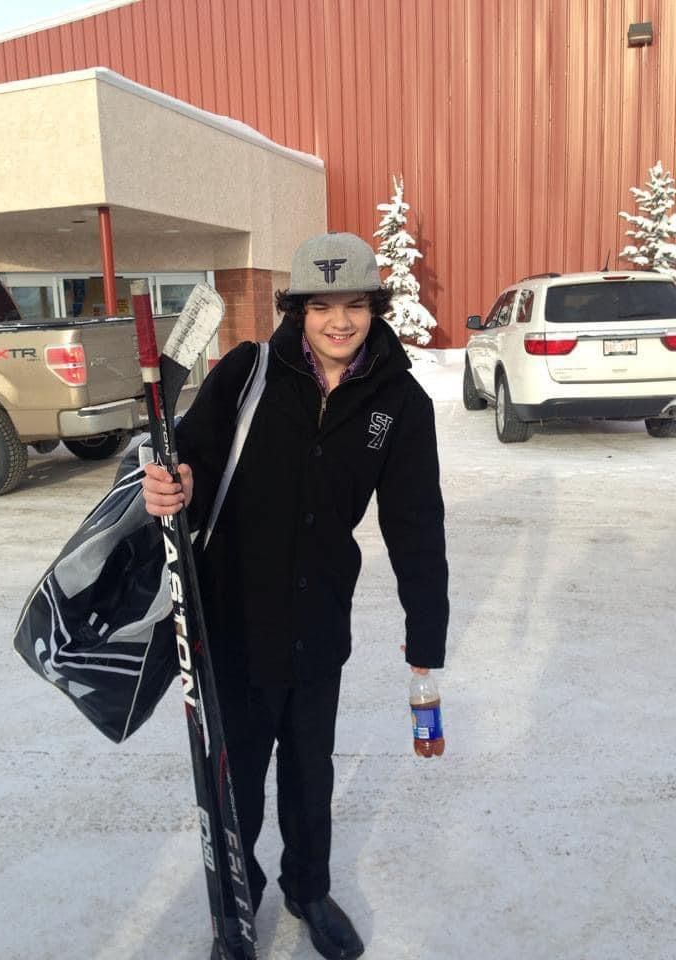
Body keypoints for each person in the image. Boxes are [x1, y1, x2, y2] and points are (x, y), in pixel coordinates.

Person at [142, 231, 449, 960]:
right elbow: (191, 458)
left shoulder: (398, 403)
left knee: (311, 770)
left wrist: (426, 637)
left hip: (319, 621)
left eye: (354, 305)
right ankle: (236, 909)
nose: (338, 322)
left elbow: (415, 525)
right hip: (235, 617)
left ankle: (309, 887)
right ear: (297, 311)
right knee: (237, 777)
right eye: (321, 306)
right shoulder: (248, 373)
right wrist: (175, 484)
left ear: (376, 308)